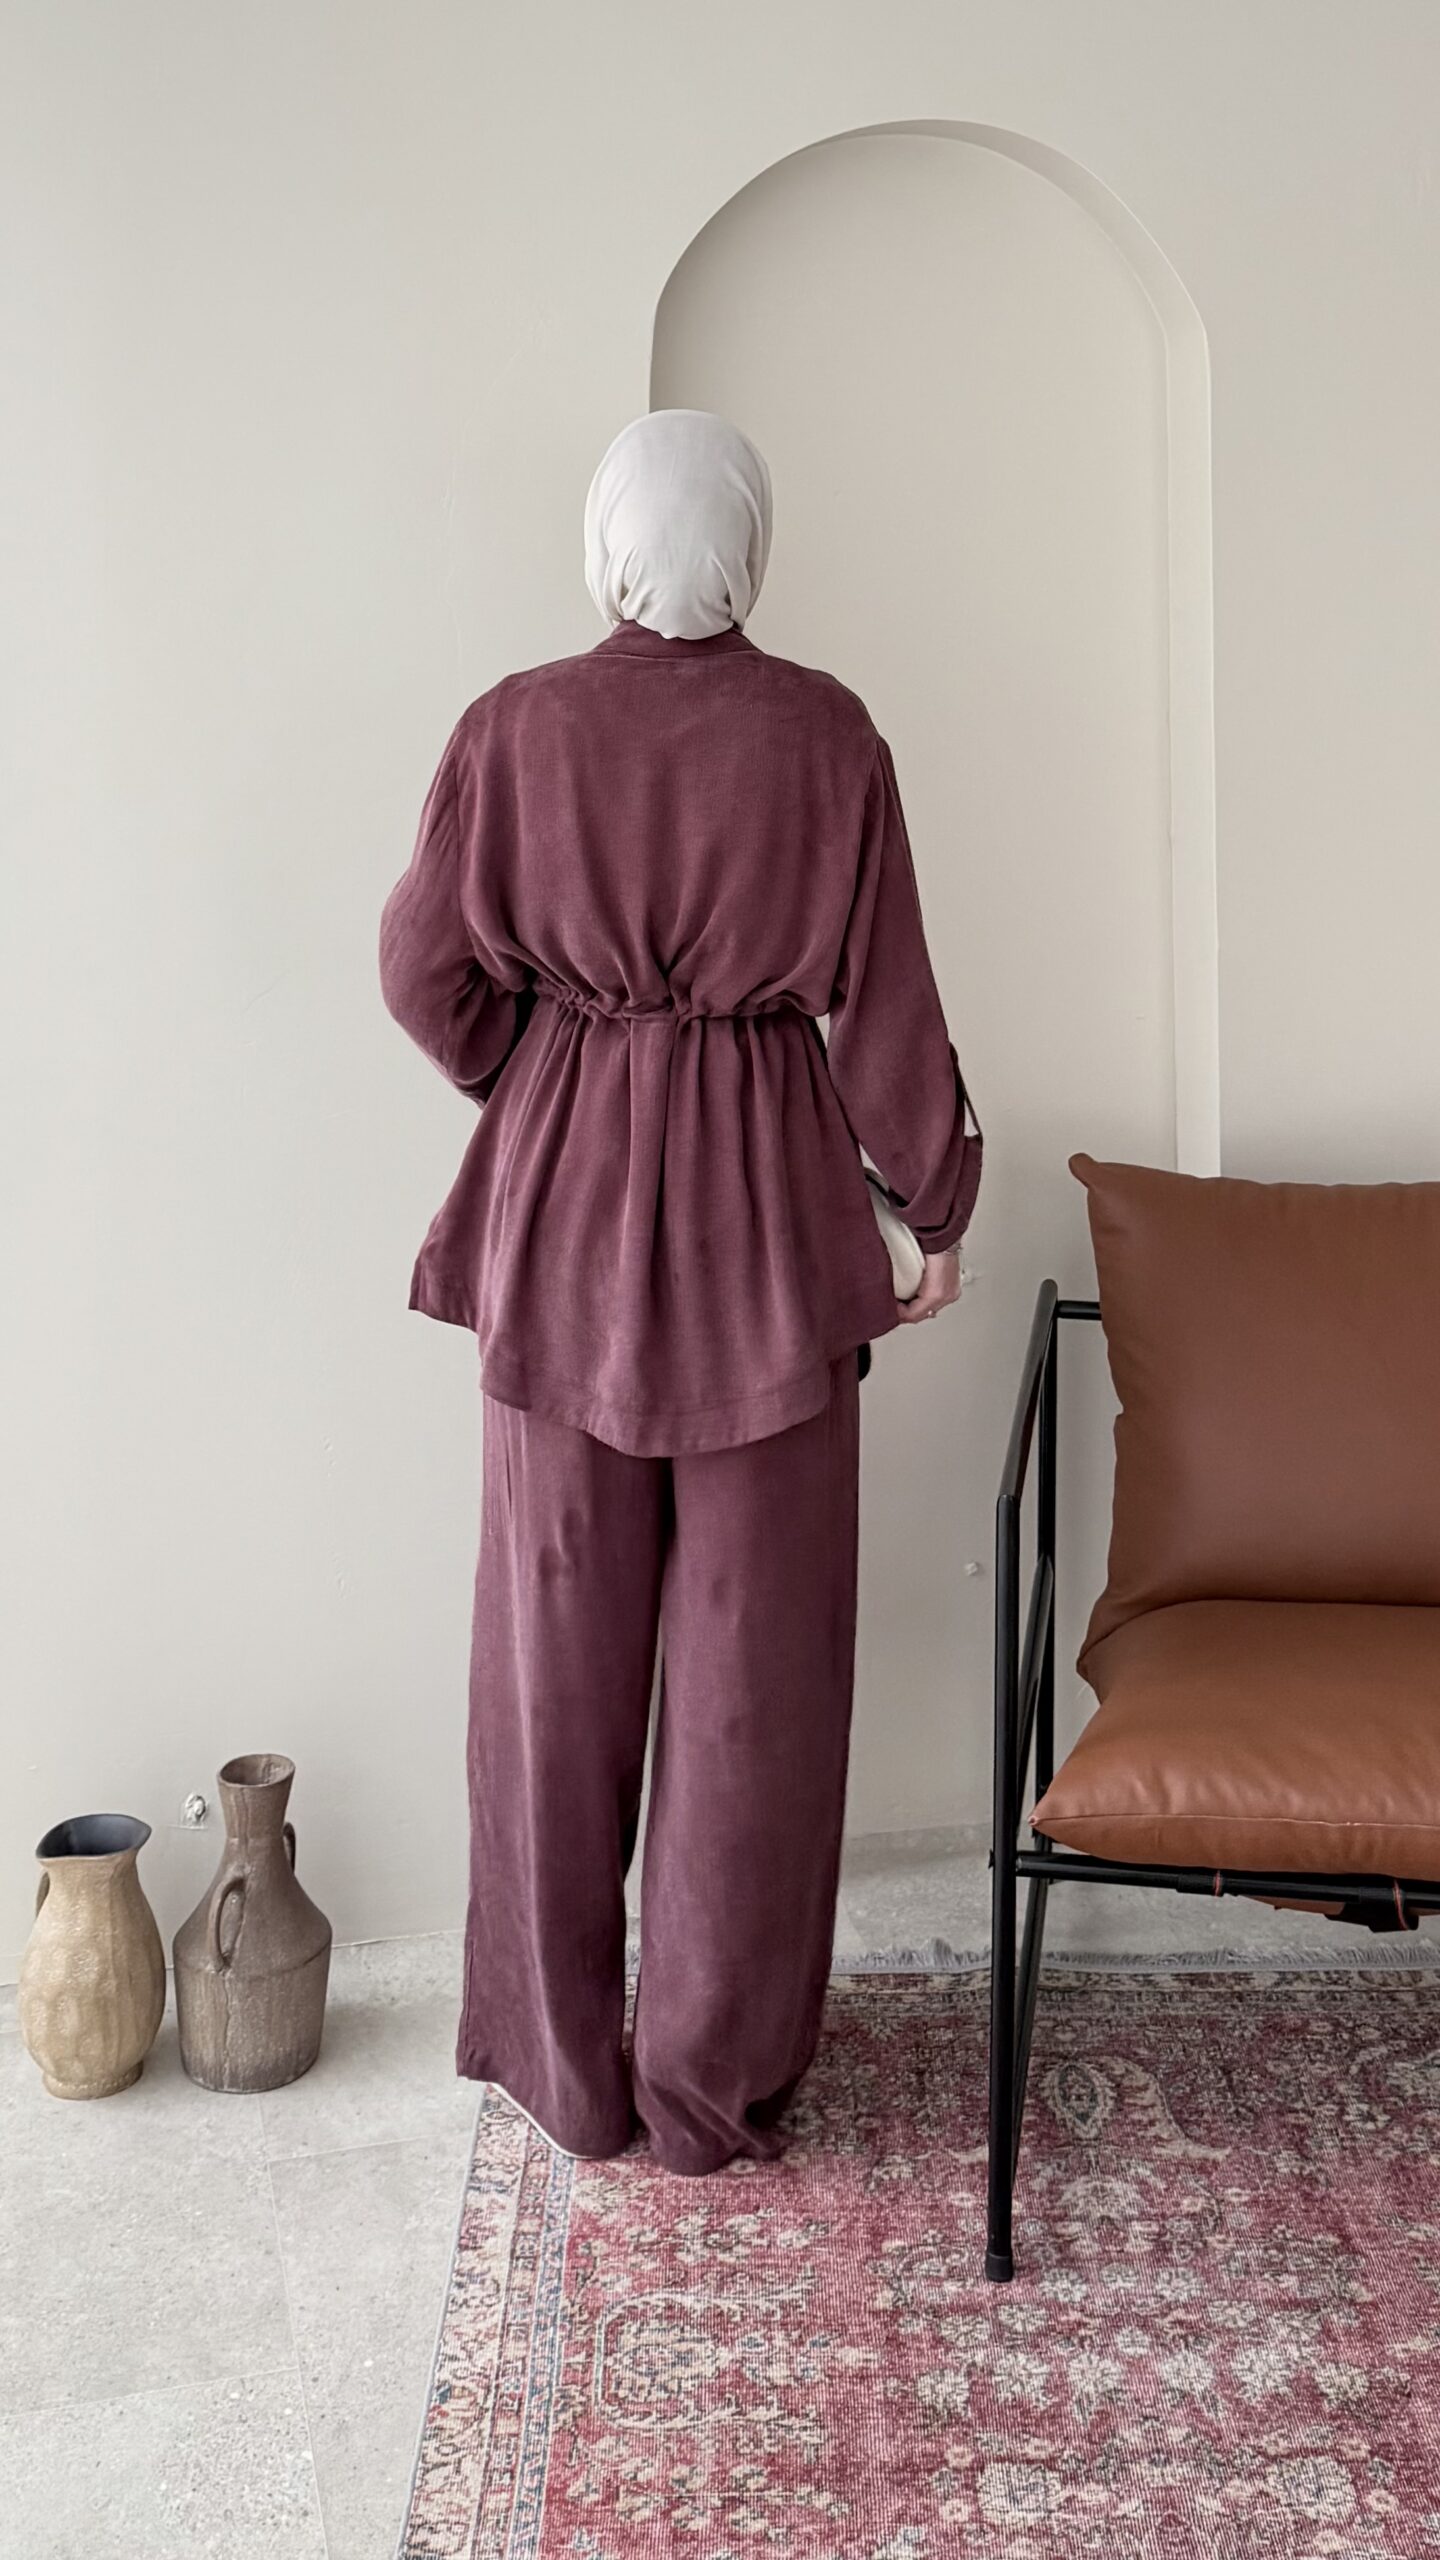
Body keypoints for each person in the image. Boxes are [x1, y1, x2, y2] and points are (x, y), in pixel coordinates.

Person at [379, 408, 981, 2174]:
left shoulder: (512, 727)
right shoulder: (830, 735)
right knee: (754, 1677)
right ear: (753, 545)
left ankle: (569, 2074)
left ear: (605, 544)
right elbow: (885, 1001)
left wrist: (536, 1070)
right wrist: (933, 1204)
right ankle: (711, 2088)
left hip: (559, 1215)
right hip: (768, 1231)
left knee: (549, 1663)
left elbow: (419, 966)